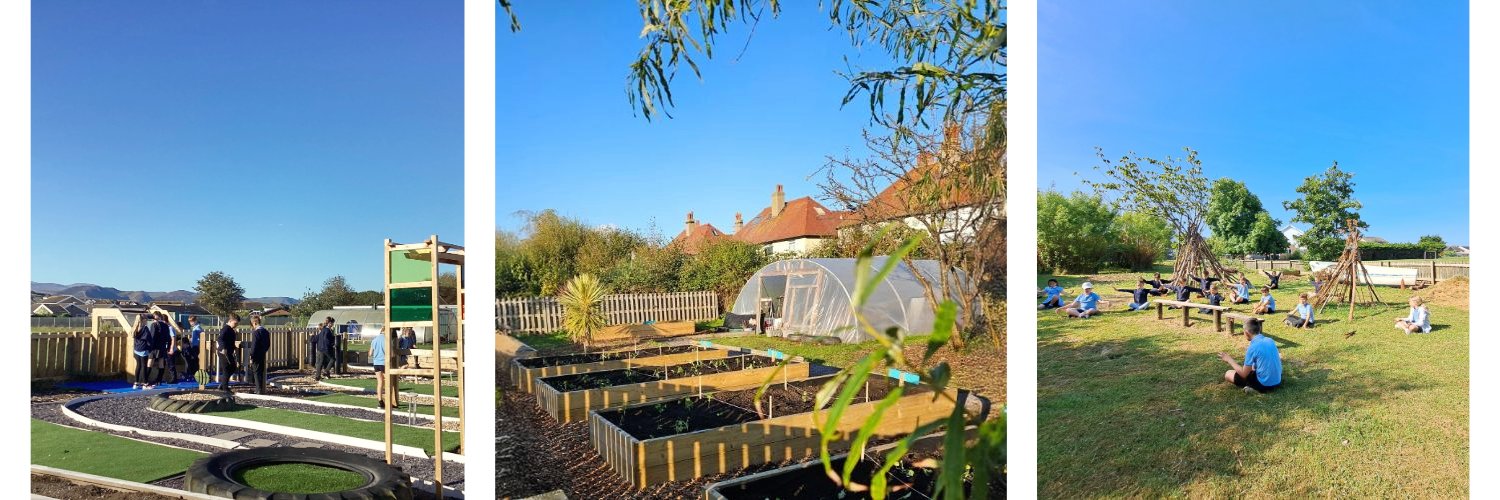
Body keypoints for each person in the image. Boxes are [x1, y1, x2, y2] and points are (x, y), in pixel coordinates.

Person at [1217, 318, 1282, 393]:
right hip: (1277, 381)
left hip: (1264, 384)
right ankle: (1257, 385)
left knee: (1228, 374)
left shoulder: (1252, 347)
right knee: (1252, 368)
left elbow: (1244, 374)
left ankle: (1254, 388)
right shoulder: (1270, 340)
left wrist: (1229, 360)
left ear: (1246, 333)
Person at [216, 313, 240, 392]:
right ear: (230, 321)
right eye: (235, 323)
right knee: (226, 369)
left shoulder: (231, 330)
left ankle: (223, 385)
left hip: (229, 352)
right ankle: (225, 388)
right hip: (223, 352)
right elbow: (220, 339)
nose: (236, 325)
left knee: (232, 367)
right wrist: (223, 348)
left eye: (237, 324)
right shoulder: (226, 329)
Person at [147, 312, 172, 388]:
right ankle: (159, 380)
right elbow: (168, 337)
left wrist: (149, 346)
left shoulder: (154, 325)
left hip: (155, 347)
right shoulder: (165, 325)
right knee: (161, 363)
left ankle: (145, 380)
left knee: (150, 362)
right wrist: (167, 347)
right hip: (162, 346)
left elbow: (152, 336)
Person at [248, 315, 271, 394]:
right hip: (262, 353)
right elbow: (268, 344)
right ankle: (260, 389)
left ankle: (258, 390)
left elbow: (254, 345)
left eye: (252, 324)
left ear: (254, 323)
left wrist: (251, 356)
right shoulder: (265, 331)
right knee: (261, 371)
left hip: (256, 354)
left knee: (256, 372)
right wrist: (264, 350)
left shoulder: (256, 332)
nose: (252, 326)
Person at [131, 313, 153, 389]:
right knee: (144, 366)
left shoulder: (134, 328)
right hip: (143, 349)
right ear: (143, 320)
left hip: (136, 349)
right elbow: (149, 339)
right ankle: (145, 384)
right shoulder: (145, 328)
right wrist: (150, 348)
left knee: (138, 366)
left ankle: (136, 383)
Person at [369, 328, 389, 408]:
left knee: (380, 382)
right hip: (384, 363)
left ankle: (380, 401)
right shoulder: (387, 340)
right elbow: (391, 353)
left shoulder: (374, 340)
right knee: (388, 382)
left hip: (376, 363)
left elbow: (370, 353)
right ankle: (389, 400)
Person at [185, 316, 204, 382]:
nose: (191, 323)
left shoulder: (198, 328)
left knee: (194, 360)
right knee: (193, 360)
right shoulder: (194, 328)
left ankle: (196, 374)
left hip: (196, 346)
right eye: (190, 322)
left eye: (192, 321)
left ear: (195, 320)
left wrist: (198, 342)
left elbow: (201, 336)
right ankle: (193, 374)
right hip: (193, 345)